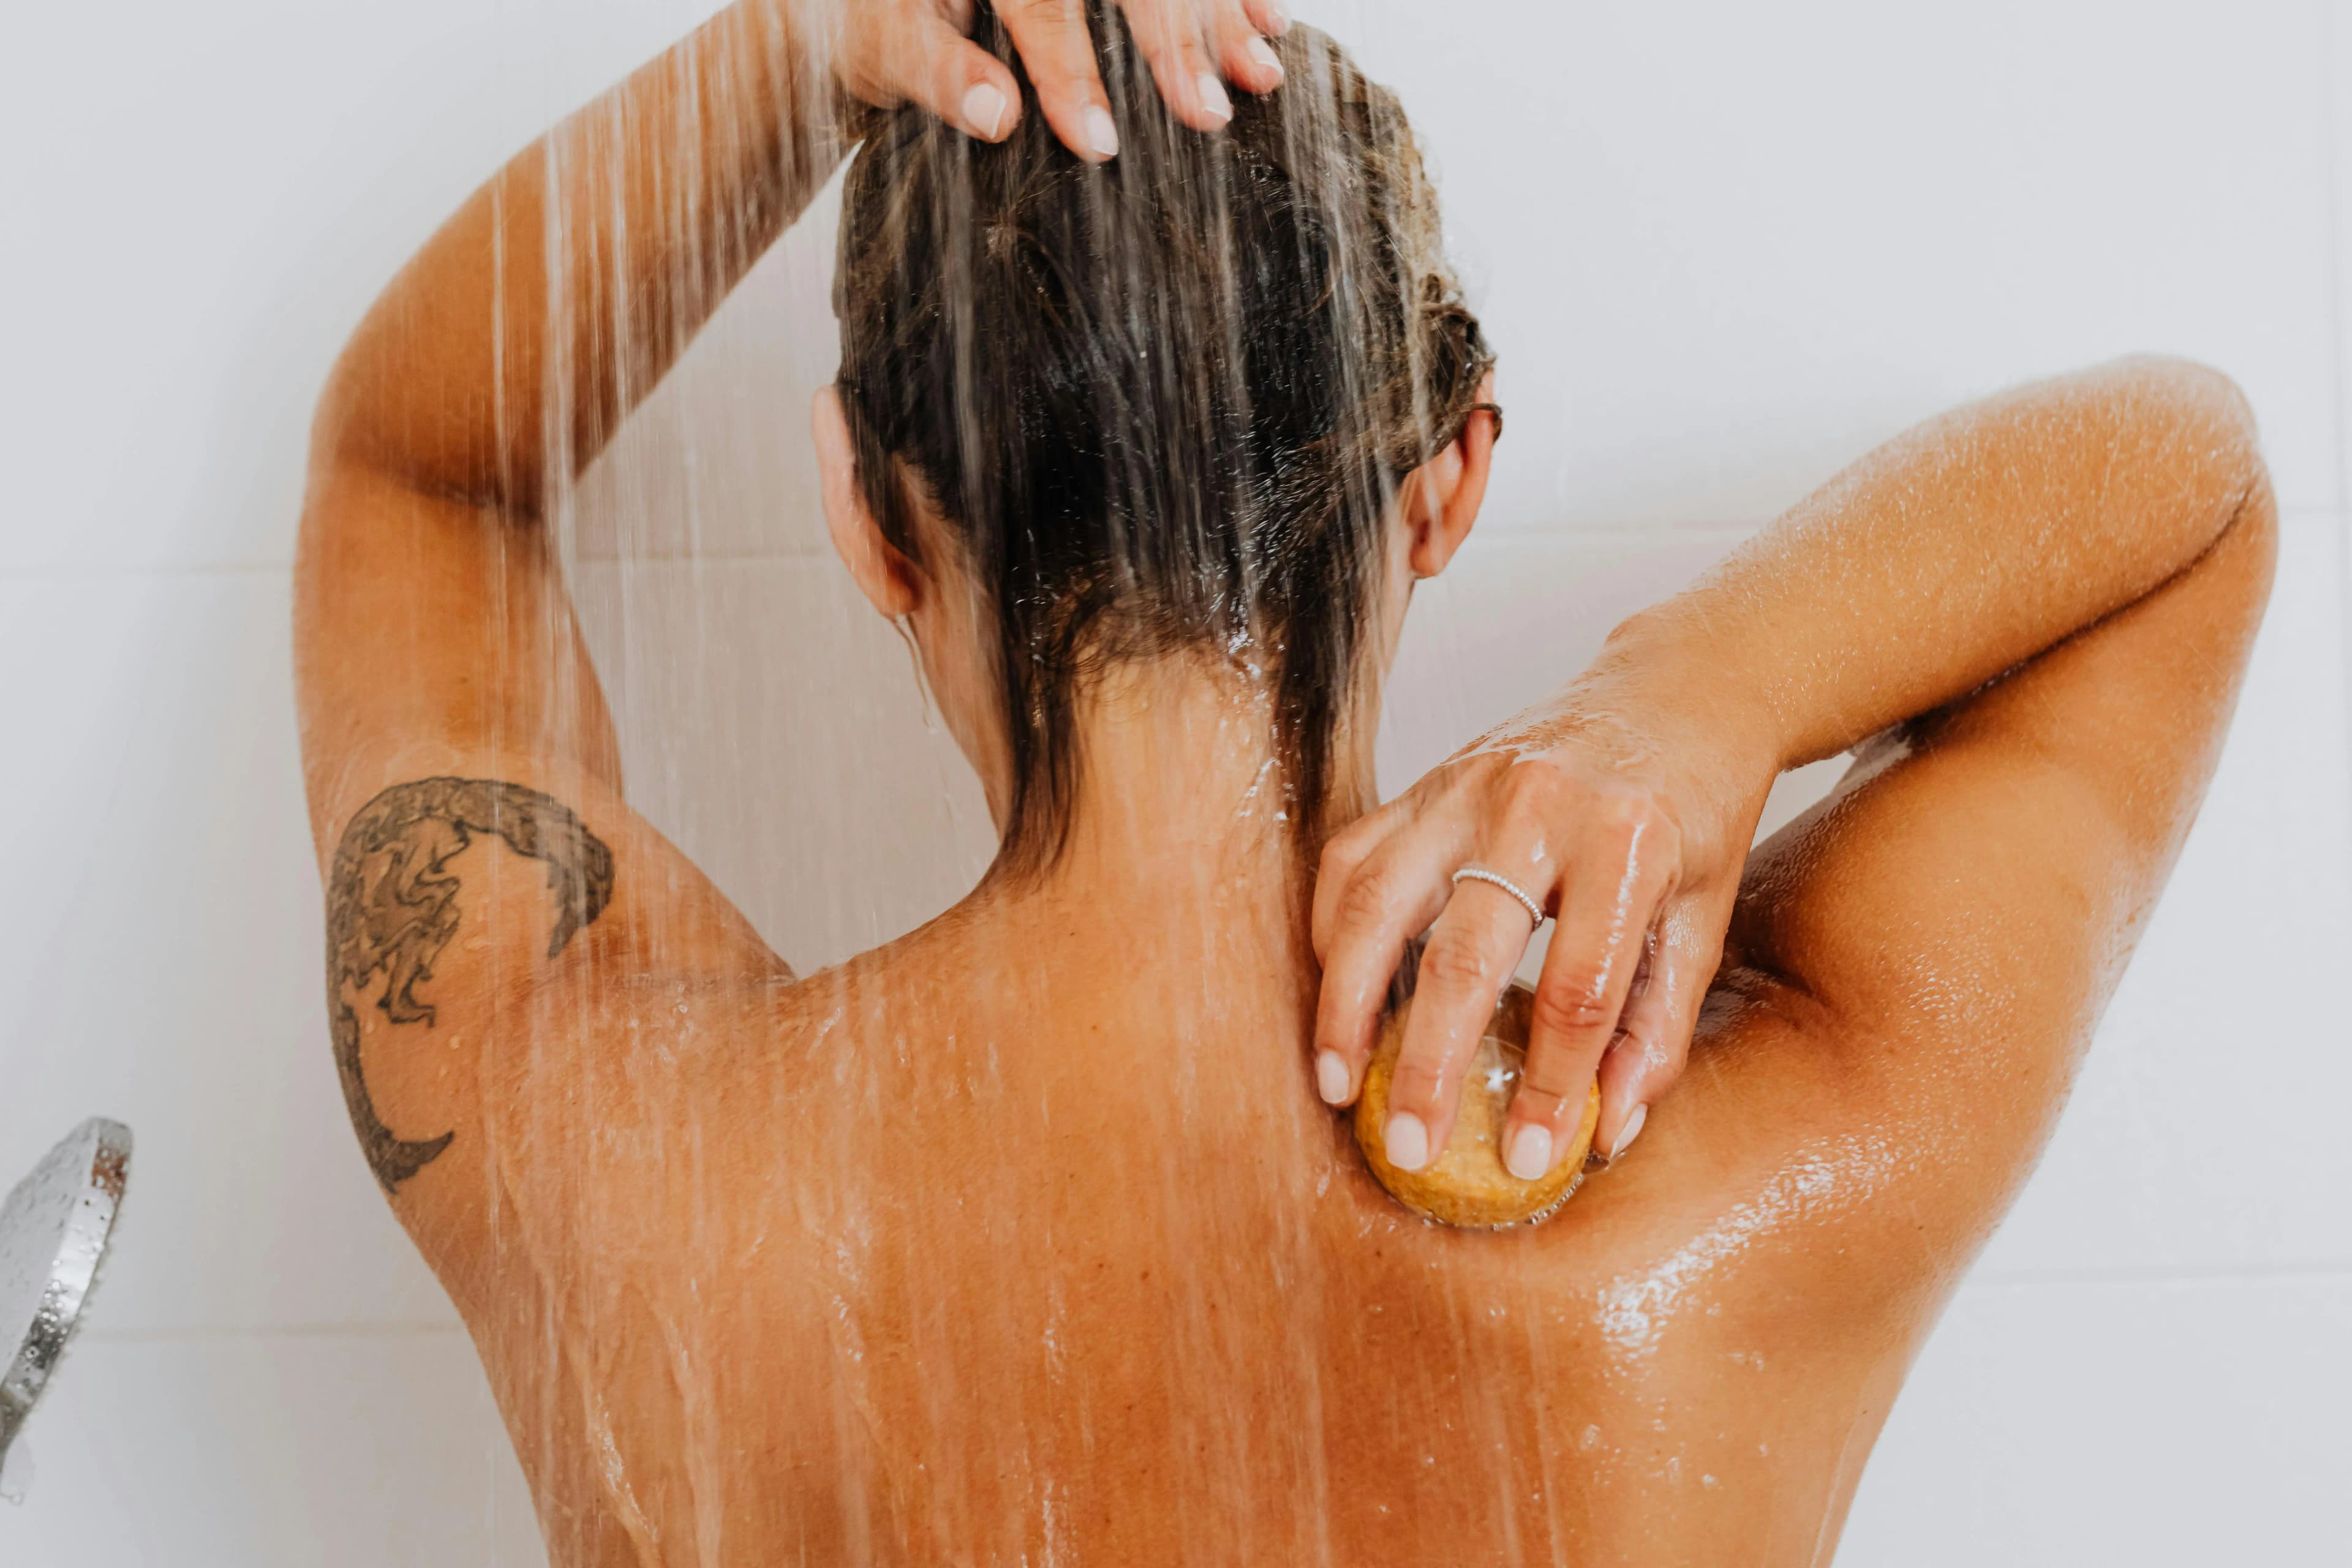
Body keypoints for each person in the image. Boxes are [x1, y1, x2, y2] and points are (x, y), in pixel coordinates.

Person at [294, 0, 2275, 1559]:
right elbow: (2193, 496)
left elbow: (416, 474)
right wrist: (1687, 703)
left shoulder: (622, 1165)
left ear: (866, 514)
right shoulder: (1745, 1167)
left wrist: (793, 44)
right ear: (1450, 483)